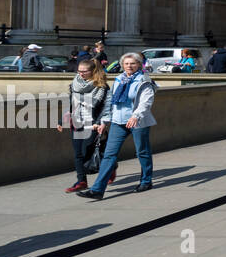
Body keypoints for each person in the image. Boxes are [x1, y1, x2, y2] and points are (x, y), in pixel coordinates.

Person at [80, 52, 156, 199]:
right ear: (122, 65)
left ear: (139, 65)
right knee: (109, 155)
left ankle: (146, 181)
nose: (129, 66)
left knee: (142, 151)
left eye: (133, 63)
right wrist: (103, 121)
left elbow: (146, 101)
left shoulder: (144, 80)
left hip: (137, 121)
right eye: (126, 63)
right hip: (118, 121)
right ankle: (97, 190)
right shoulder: (119, 79)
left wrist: (136, 116)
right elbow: (111, 103)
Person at [57, 57, 112, 194]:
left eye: (84, 71)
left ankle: (111, 167)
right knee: (78, 154)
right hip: (77, 121)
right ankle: (81, 181)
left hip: (92, 123)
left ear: (92, 71)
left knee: (90, 151)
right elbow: (72, 104)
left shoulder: (102, 86)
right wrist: (62, 119)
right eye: (79, 71)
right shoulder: (75, 84)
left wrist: (101, 123)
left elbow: (107, 107)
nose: (80, 74)